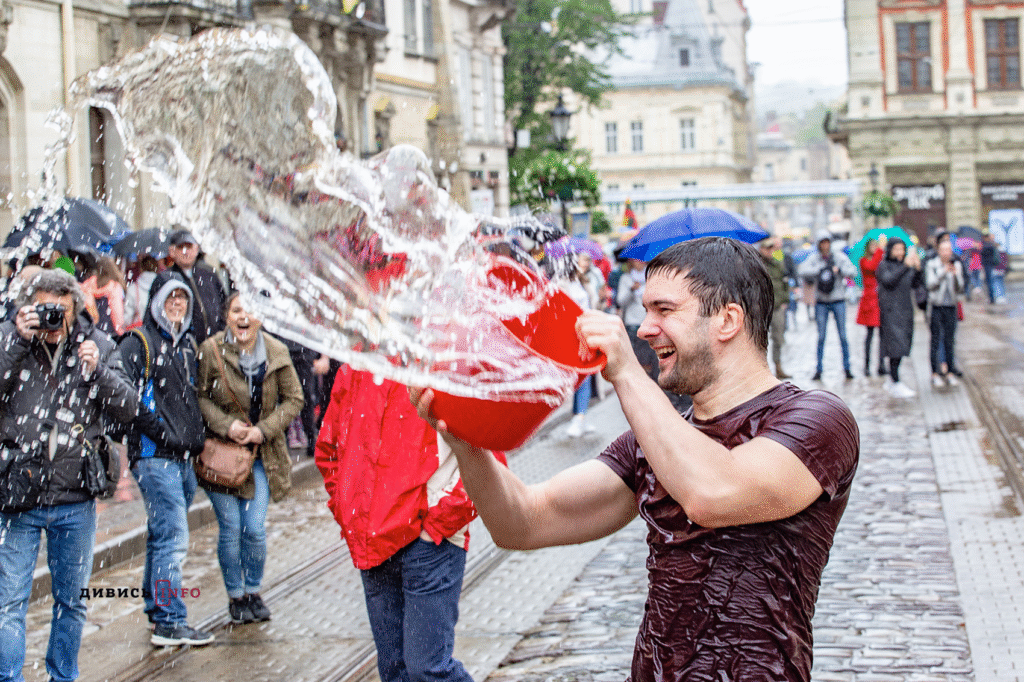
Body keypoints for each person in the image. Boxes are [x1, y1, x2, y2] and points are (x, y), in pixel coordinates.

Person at [411, 237, 859, 682]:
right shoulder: (652, 439)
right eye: (645, 312)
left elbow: (712, 496)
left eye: (664, 310)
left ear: (727, 320)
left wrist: (625, 370)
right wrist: (465, 438)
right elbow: (523, 522)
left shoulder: (816, 419)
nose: (643, 329)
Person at [0, 268, 138, 682]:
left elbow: (130, 408)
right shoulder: (12, 339)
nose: (52, 319)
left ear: (76, 307)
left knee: (72, 600)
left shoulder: (95, 344)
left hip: (76, 495)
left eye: (60, 310)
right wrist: (16, 343)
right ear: (27, 308)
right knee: (8, 601)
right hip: (17, 493)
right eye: (44, 309)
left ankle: (64, 675)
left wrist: (99, 374)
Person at [315, 367, 485, 682]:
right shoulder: (357, 365)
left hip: (430, 544)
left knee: (427, 671)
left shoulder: (449, 358)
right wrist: (351, 511)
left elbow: (486, 453)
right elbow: (330, 447)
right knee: (395, 671)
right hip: (372, 541)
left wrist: (438, 522)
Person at [117, 272, 214, 647]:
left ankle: (158, 609)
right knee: (173, 537)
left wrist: (194, 437)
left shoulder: (187, 344)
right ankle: (170, 620)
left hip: (182, 458)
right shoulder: (139, 342)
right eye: (171, 297)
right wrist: (159, 430)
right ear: (156, 300)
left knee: (163, 535)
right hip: (155, 457)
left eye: (183, 299)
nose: (177, 304)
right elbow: (122, 393)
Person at [196, 292, 303, 624]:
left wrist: (264, 429)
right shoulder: (210, 351)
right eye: (236, 310)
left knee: (254, 529)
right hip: (222, 458)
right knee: (231, 527)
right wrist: (227, 426)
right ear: (227, 316)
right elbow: (198, 397)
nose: (244, 317)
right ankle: (235, 595)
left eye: (251, 311)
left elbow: (294, 399)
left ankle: (253, 590)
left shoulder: (276, 352)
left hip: (261, 456)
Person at [798, 233, 857, 381]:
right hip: (821, 302)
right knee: (821, 337)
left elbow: (853, 272)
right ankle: (819, 369)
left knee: (843, 336)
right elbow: (802, 271)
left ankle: (847, 368)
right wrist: (819, 270)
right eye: (822, 243)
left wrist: (840, 270)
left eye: (827, 242)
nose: (825, 246)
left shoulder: (839, 257)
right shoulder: (814, 258)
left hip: (838, 300)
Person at [876, 238, 923, 398]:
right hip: (890, 312)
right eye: (896, 249)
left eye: (902, 249)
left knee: (903, 346)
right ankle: (895, 381)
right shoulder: (884, 266)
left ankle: (892, 379)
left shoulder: (906, 266)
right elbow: (889, 280)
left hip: (905, 311)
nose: (900, 253)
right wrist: (905, 266)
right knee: (894, 347)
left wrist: (917, 269)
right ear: (889, 250)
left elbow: (916, 284)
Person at [561, 252, 600, 436]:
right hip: (571, 336)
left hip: (587, 334)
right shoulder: (563, 283)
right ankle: (578, 417)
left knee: (585, 376)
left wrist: (599, 296)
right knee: (580, 376)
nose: (586, 263)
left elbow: (592, 307)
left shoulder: (585, 282)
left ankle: (580, 418)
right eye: (583, 260)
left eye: (587, 261)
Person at [168, 228, 226, 344]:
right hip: (187, 345)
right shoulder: (168, 278)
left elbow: (224, 304)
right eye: (181, 247)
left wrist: (222, 332)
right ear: (172, 251)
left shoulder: (208, 274)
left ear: (196, 249)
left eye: (189, 247)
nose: (185, 252)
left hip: (216, 345)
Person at [925, 236, 965, 388]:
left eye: (948, 250)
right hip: (936, 306)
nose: (946, 253)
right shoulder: (932, 264)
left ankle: (950, 372)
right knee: (935, 340)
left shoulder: (956, 265)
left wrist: (955, 275)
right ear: (938, 251)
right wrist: (943, 272)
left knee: (950, 340)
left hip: (951, 306)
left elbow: (960, 287)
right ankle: (935, 373)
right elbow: (930, 284)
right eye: (943, 250)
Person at [758, 237, 792, 379]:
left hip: (777, 306)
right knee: (759, 340)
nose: (770, 251)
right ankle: (760, 370)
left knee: (778, 338)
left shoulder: (777, 263)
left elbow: (785, 281)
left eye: (772, 248)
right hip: (761, 308)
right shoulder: (756, 264)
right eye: (767, 248)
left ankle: (778, 367)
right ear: (761, 249)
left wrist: (785, 300)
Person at [856, 239, 886, 377]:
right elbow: (872, 267)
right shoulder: (864, 261)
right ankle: (867, 366)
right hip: (869, 300)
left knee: (882, 335)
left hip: (880, 299)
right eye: (873, 246)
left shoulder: (881, 259)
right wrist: (880, 250)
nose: (875, 248)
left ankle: (881, 364)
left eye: (877, 246)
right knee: (869, 335)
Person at [79, 255, 127, 337]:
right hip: (109, 331)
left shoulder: (87, 285)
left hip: (91, 329)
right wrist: (121, 331)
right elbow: (117, 312)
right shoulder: (114, 287)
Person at [124, 254, 161, 330]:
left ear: (141, 269)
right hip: (157, 331)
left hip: (138, 332)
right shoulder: (162, 288)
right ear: (156, 269)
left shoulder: (133, 289)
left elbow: (126, 318)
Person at [980, 231, 1003, 304]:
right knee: (992, 282)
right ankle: (992, 297)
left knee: (990, 282)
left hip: (988, 266)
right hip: (991, 265)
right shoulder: (991, 245)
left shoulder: (986, 245)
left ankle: (992, 298)